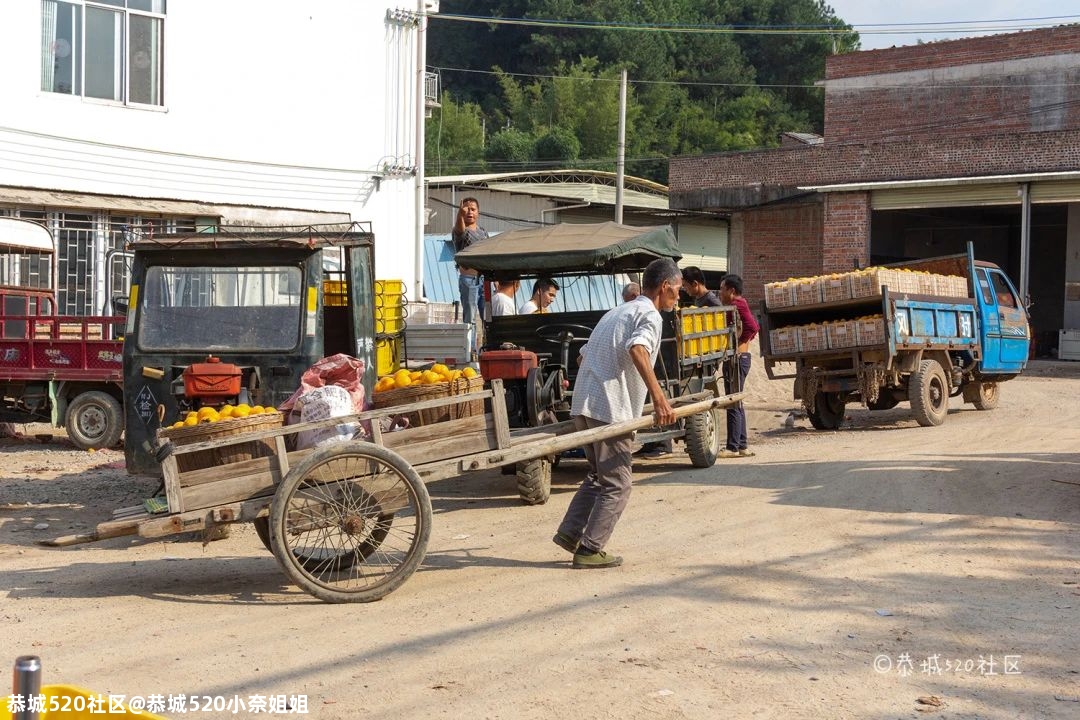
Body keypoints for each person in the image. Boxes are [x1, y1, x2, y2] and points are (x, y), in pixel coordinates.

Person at [552, 258, 681, 569]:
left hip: (585, 404)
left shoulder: (617, 311)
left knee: (599, 476)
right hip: (610, 408)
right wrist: (660, 398)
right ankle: (590, 549)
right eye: (677, 292)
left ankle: (571, 534)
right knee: (619, 483)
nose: (678, 299)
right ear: (664, 287)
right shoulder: (649, 314)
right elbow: (638, 349)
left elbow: (584, 358)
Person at [717, 273, 759, 459]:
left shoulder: (737, 305)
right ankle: (742, 445)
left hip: (738, 358)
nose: (719, 292)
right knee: (737, 401)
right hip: (740, 357)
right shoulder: (736, 305)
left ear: (731, 291)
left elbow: (753, 327)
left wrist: (740, 342)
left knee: (733, 400)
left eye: (722, 289)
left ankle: (732, 447)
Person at [452, 197, 488, 331]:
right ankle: (470, 350)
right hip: (469, 279)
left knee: (488, 317)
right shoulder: (460, 229)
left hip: (485, 279)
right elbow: (459, 230)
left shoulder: (483, 232)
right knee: (470, 318)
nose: (470, 212)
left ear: (478, 212)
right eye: (467, 209)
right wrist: (459, 214)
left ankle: (489, 346)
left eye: (473, 209)